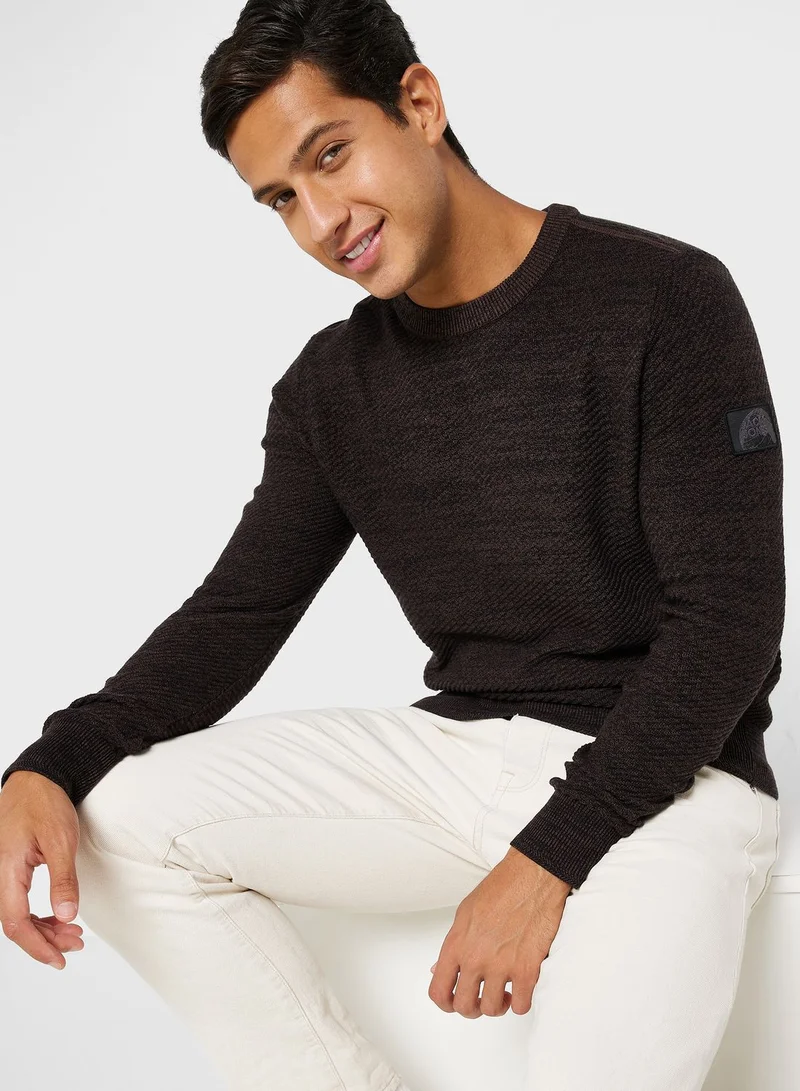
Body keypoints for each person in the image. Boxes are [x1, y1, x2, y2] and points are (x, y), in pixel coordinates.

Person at [0, 2, 785, 1089]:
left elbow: (729, 620)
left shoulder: (664, 296)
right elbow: (235, 616)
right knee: (118, 816)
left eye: (330, 155)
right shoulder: (331, 388)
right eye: (280, 199)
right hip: (461, 758)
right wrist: (48, 762)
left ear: (418, 103)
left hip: (673, 781)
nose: (322, 220)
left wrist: (550, 856)